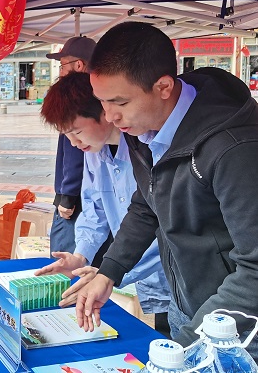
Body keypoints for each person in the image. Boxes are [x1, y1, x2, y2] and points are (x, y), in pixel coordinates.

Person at [75, 22, 258, 359]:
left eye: (119, 102)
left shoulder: (234, 148)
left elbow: (255, 268)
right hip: (186, 303)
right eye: (102, 102)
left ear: (163, 87)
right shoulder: (142, 126)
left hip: (238, 329)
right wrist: (109, 271)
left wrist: (187, 343)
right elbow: (147, 204)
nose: (110, 116)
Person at [36, 71, 171, 335]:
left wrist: (110, 273)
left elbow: (160, 225)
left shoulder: (149, 147)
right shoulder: (95, 151)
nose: (74, 143)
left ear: (104, 110)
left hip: (176, 271)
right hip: (139, 269)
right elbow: (94, 207)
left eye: (77, 132)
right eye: (67, 136)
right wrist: (80, 256)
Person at [46, 36, 110, 261]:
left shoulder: (80, 105)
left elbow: (74, 156)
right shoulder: (93, 147)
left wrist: (67, 195)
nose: (75, 141)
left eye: (63, 65)